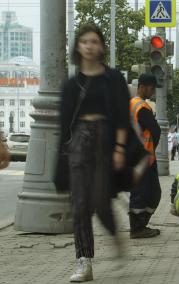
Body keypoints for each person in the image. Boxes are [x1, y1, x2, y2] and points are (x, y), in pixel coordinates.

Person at [57, 24, 129, 282]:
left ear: (101, 46)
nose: (89, 46)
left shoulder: (113, 79)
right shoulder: (71, 84)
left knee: (100, 201)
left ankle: (114, 234)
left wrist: (120, 148)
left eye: (94, 41)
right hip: (79, 143)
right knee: (79, 204)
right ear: (78, 46)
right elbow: (63, 123)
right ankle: (83, 261)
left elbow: (122, 116)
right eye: (84, 41)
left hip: (106, 141)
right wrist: (60, 159)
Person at [129, 74, 162, 239]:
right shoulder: (141, 107)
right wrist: (151, 150)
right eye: (151, 88)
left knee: (150, 192)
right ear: (142, 86)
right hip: (143, 158)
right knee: (144, 193)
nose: (153, 91)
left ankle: (141, 225)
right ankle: (137, 228)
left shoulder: (132, 105)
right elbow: (156, 130)